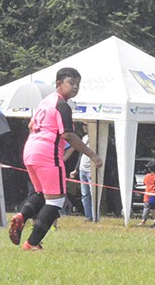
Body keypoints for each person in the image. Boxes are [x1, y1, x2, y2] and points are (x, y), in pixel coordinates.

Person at [9, 67, 103, 251]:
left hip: (31, 150)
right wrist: (92, 154)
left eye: (78, 84)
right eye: (71, 83)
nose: (75, 87)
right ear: (59, 84)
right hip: (48, 153)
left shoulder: (45, 102)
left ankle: (21, 216)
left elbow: (31, 125)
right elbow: (68, 135)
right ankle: (32, 243)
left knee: (41, 193)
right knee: (56, 201)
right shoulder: (62, 105)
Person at [69, 128, 96, 222]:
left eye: (86, 125)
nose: (84, 127)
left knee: (93, 194)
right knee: (84, 194)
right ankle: (88, 216)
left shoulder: (95, 138)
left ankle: (95, 217)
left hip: (91, 170)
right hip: (82, 169)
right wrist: (76, 170)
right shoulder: (84, 138)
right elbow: (81, 155)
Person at [138, 161, 155, 226]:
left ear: (149, 169)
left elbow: (144, 183)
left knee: (146, 208)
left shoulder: (147, 176)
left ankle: (143, 221)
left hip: (147, 195)